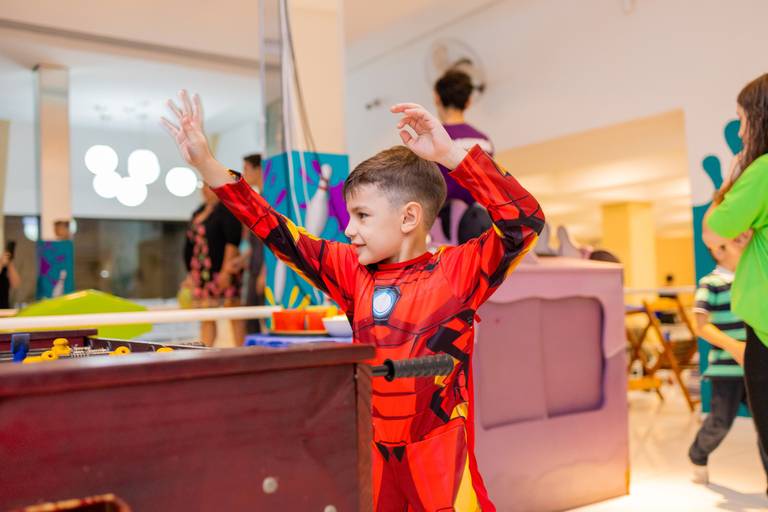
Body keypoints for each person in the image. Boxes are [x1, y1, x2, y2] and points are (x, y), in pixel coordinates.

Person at [162, 90, 544, 511]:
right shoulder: (350, 270)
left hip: (440, 456)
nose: (348, 229)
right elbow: (276, 230)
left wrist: (451, 155)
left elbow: (525, 222)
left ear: (409, 217)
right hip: (372, 450)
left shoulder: (458, 271)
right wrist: (208, 166)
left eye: (362, 215)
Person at [706, 72, 768, 495]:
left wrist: (730, 185)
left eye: (744, 119)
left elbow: (713, 228)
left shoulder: (761, 170)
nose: (742, 130)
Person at [688, 240, 768, 484]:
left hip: (757, 367)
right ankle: (697, 454)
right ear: (717, 249)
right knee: (720, 421)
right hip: (727, 369)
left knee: (764, 423)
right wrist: (734, 347)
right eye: (736, 241)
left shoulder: (751, 280)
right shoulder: (710, 283)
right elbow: (700, 325)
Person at [433, 70, 494, 244]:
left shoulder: (432, 140)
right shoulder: (484, 141)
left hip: (439, 231)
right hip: (479, 226)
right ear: (468, 102)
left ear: (437, 98)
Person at [182, 182, 244, 346]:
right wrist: (190, 273)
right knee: (206, 315)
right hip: (202, 272)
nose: (204, 190)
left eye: (208, 187)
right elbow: (190, 244)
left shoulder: (227, 210)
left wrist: (226, 271)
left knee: (233, 311)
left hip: (220, 269)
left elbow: (232, 242)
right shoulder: (199, 211)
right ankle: (205, 350)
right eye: (202, 186)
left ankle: (241, 350)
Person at [0, 241, 21, 309]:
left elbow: (16, 284)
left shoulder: (5, 267)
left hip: (4, 308)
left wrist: (9, 263)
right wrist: (1, 264)